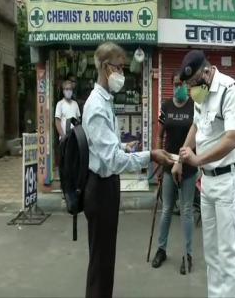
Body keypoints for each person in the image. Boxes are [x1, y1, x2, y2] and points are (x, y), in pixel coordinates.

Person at [81, 42, 174, 298]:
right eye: (119, 67)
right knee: (101, 260)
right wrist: (150, 156)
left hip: (107, 184)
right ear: (104, 67)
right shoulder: (97, 106)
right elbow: (112, 160)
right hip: (100, 187)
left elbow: (105, 147)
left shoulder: (104, 100)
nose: (122, 73)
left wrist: (124, 146)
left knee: (105, 256)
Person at [172, 50, 235, 297]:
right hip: (207, 181)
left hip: (225, 181)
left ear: (206, 71)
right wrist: (182, 157)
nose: (191, 89)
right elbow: (196, 124)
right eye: (188, 85)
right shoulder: (200, 94)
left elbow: (232, 139)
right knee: (211, 250)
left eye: (193, 84)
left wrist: (197, 159)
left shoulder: (229, 91)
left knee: (226, 251)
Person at [151, 73, 197, 274]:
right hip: (169, 164)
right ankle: (161, 249)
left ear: (187, 85)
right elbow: (159, 135)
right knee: (167, 209)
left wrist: (199, 161)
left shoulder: (195, 106)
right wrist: (159, 161)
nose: (179, 86)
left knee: (186, 211)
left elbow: (200, 135)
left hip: (188, 167)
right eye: (176, 83)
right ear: (172, 85)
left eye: (182, 83)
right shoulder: (166, 106)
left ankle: (187, 255)